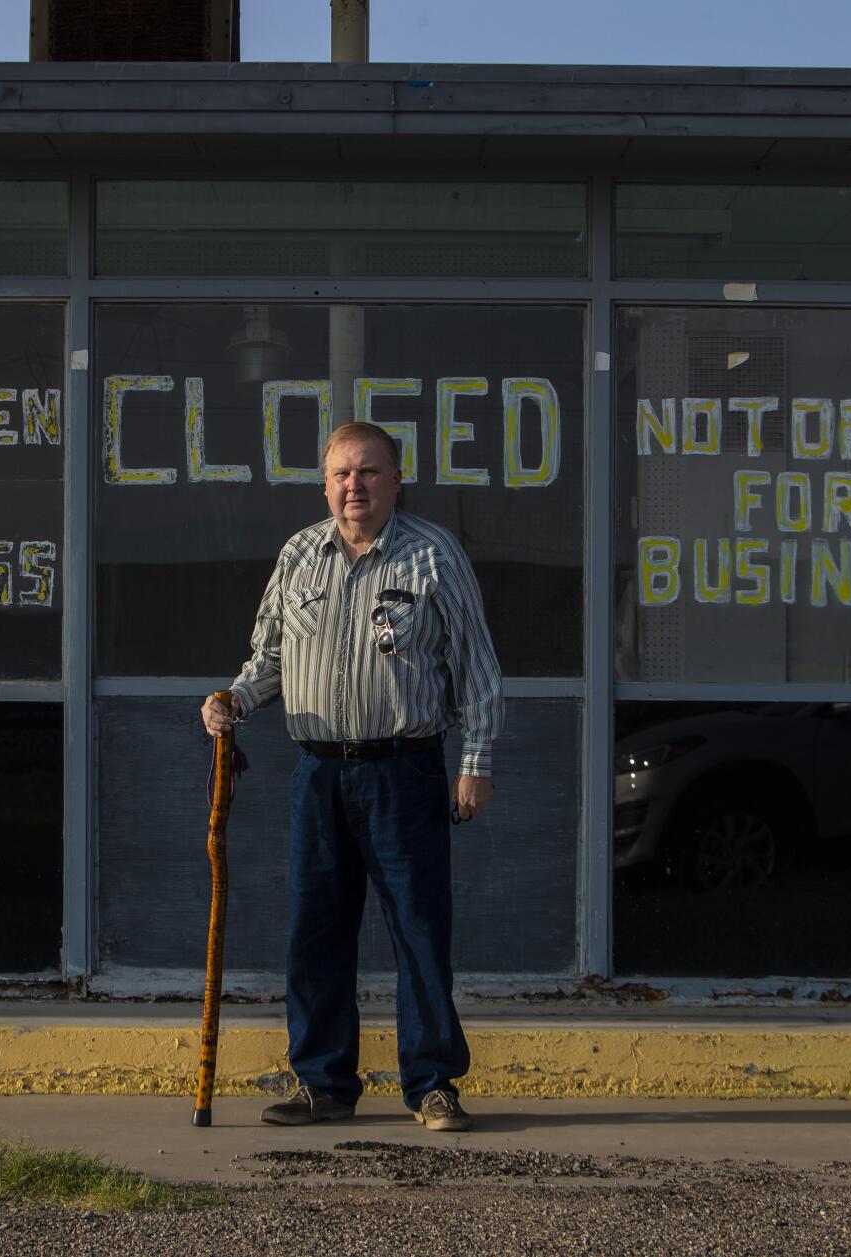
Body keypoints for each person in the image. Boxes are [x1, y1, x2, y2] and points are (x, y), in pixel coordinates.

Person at [199, 420, 504, 1134]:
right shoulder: (300, 555)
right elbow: (267, 658)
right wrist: (234, 700)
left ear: (397, 480)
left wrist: (476, 762)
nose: (354, 486)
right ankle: (323, 1082)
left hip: (405, 770)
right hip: (319, 775)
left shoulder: (433, 555)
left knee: (420, 931)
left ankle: (432, 1085)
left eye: (369, 472)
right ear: (324, 482)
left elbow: (478, 670)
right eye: (341, 473)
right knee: (316, 931)